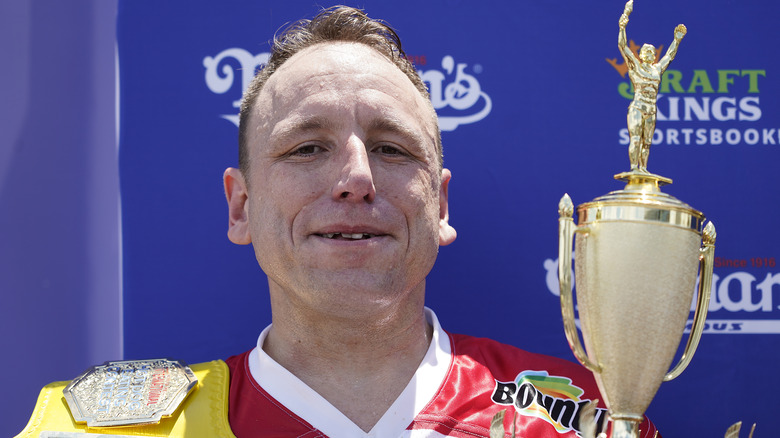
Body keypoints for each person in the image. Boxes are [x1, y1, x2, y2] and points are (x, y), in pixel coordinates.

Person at [17, 6, 659, 438]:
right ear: (240, 206)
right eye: (306, 148)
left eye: (391, 149)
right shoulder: (91, 431)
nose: (356, 178)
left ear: (439, 207)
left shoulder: (585, 418)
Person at [619, 0, 686, 172]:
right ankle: (634, 168)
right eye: (646, 51)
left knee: (647, 143)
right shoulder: (635, 66)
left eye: (652, 51)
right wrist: (623, 25)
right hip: (638, 107)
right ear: (640, 54)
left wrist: (676, 41)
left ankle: (643, 168)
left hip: (651, 108)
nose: (649, 53)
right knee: (635, 139)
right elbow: (623, 46)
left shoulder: (657, 70)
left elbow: (669, 57)